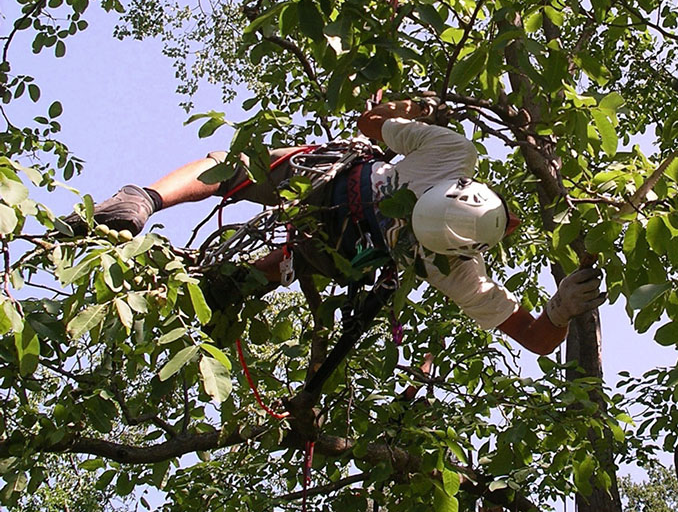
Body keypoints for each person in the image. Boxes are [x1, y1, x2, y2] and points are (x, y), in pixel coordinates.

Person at [64, 99, 605, 355]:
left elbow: (368, 124)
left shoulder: (450, 152)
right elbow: (536, 339)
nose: (514, 221)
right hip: (338, 239)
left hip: (330, 193)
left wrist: (406, 112)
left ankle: (147, 199)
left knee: (240, 167)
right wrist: (558, 311)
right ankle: (242, 274)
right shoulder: (460, 270)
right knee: (298, 257)